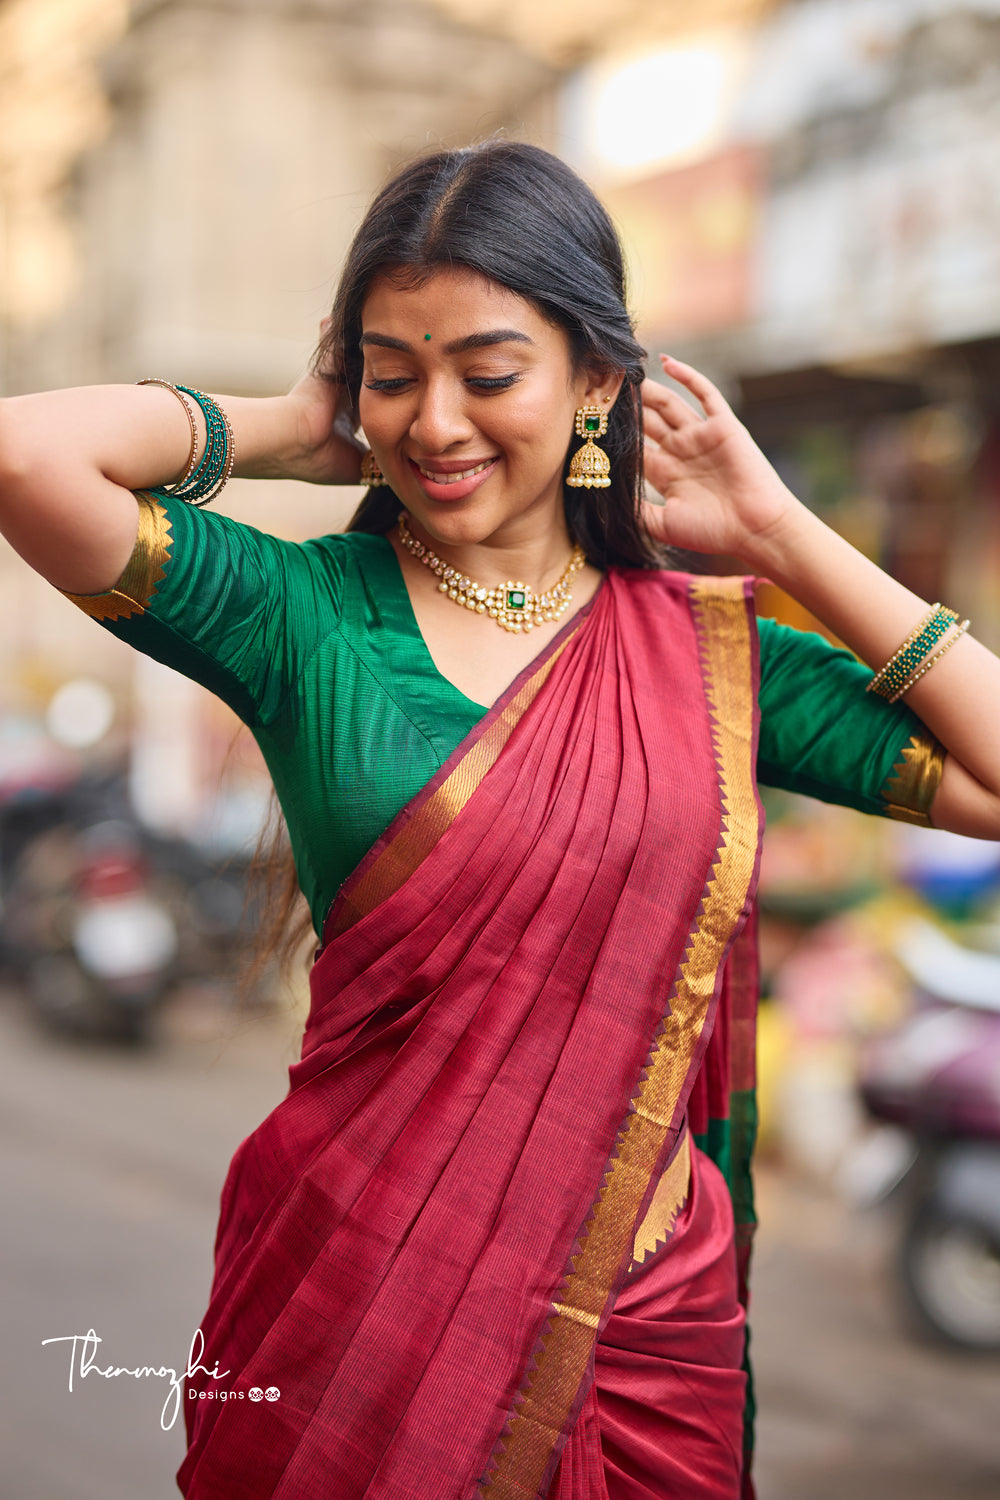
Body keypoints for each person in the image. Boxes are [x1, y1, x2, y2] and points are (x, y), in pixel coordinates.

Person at [2, 140, 999, 1500]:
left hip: (646, 1327)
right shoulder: (308, 615)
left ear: (598, 381)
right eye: (394, 375)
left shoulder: (713, 657)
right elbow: (25, 455)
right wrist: (290, 428)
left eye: (487, 373)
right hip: (360, 1285)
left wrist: (780, 531)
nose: (436, 423)